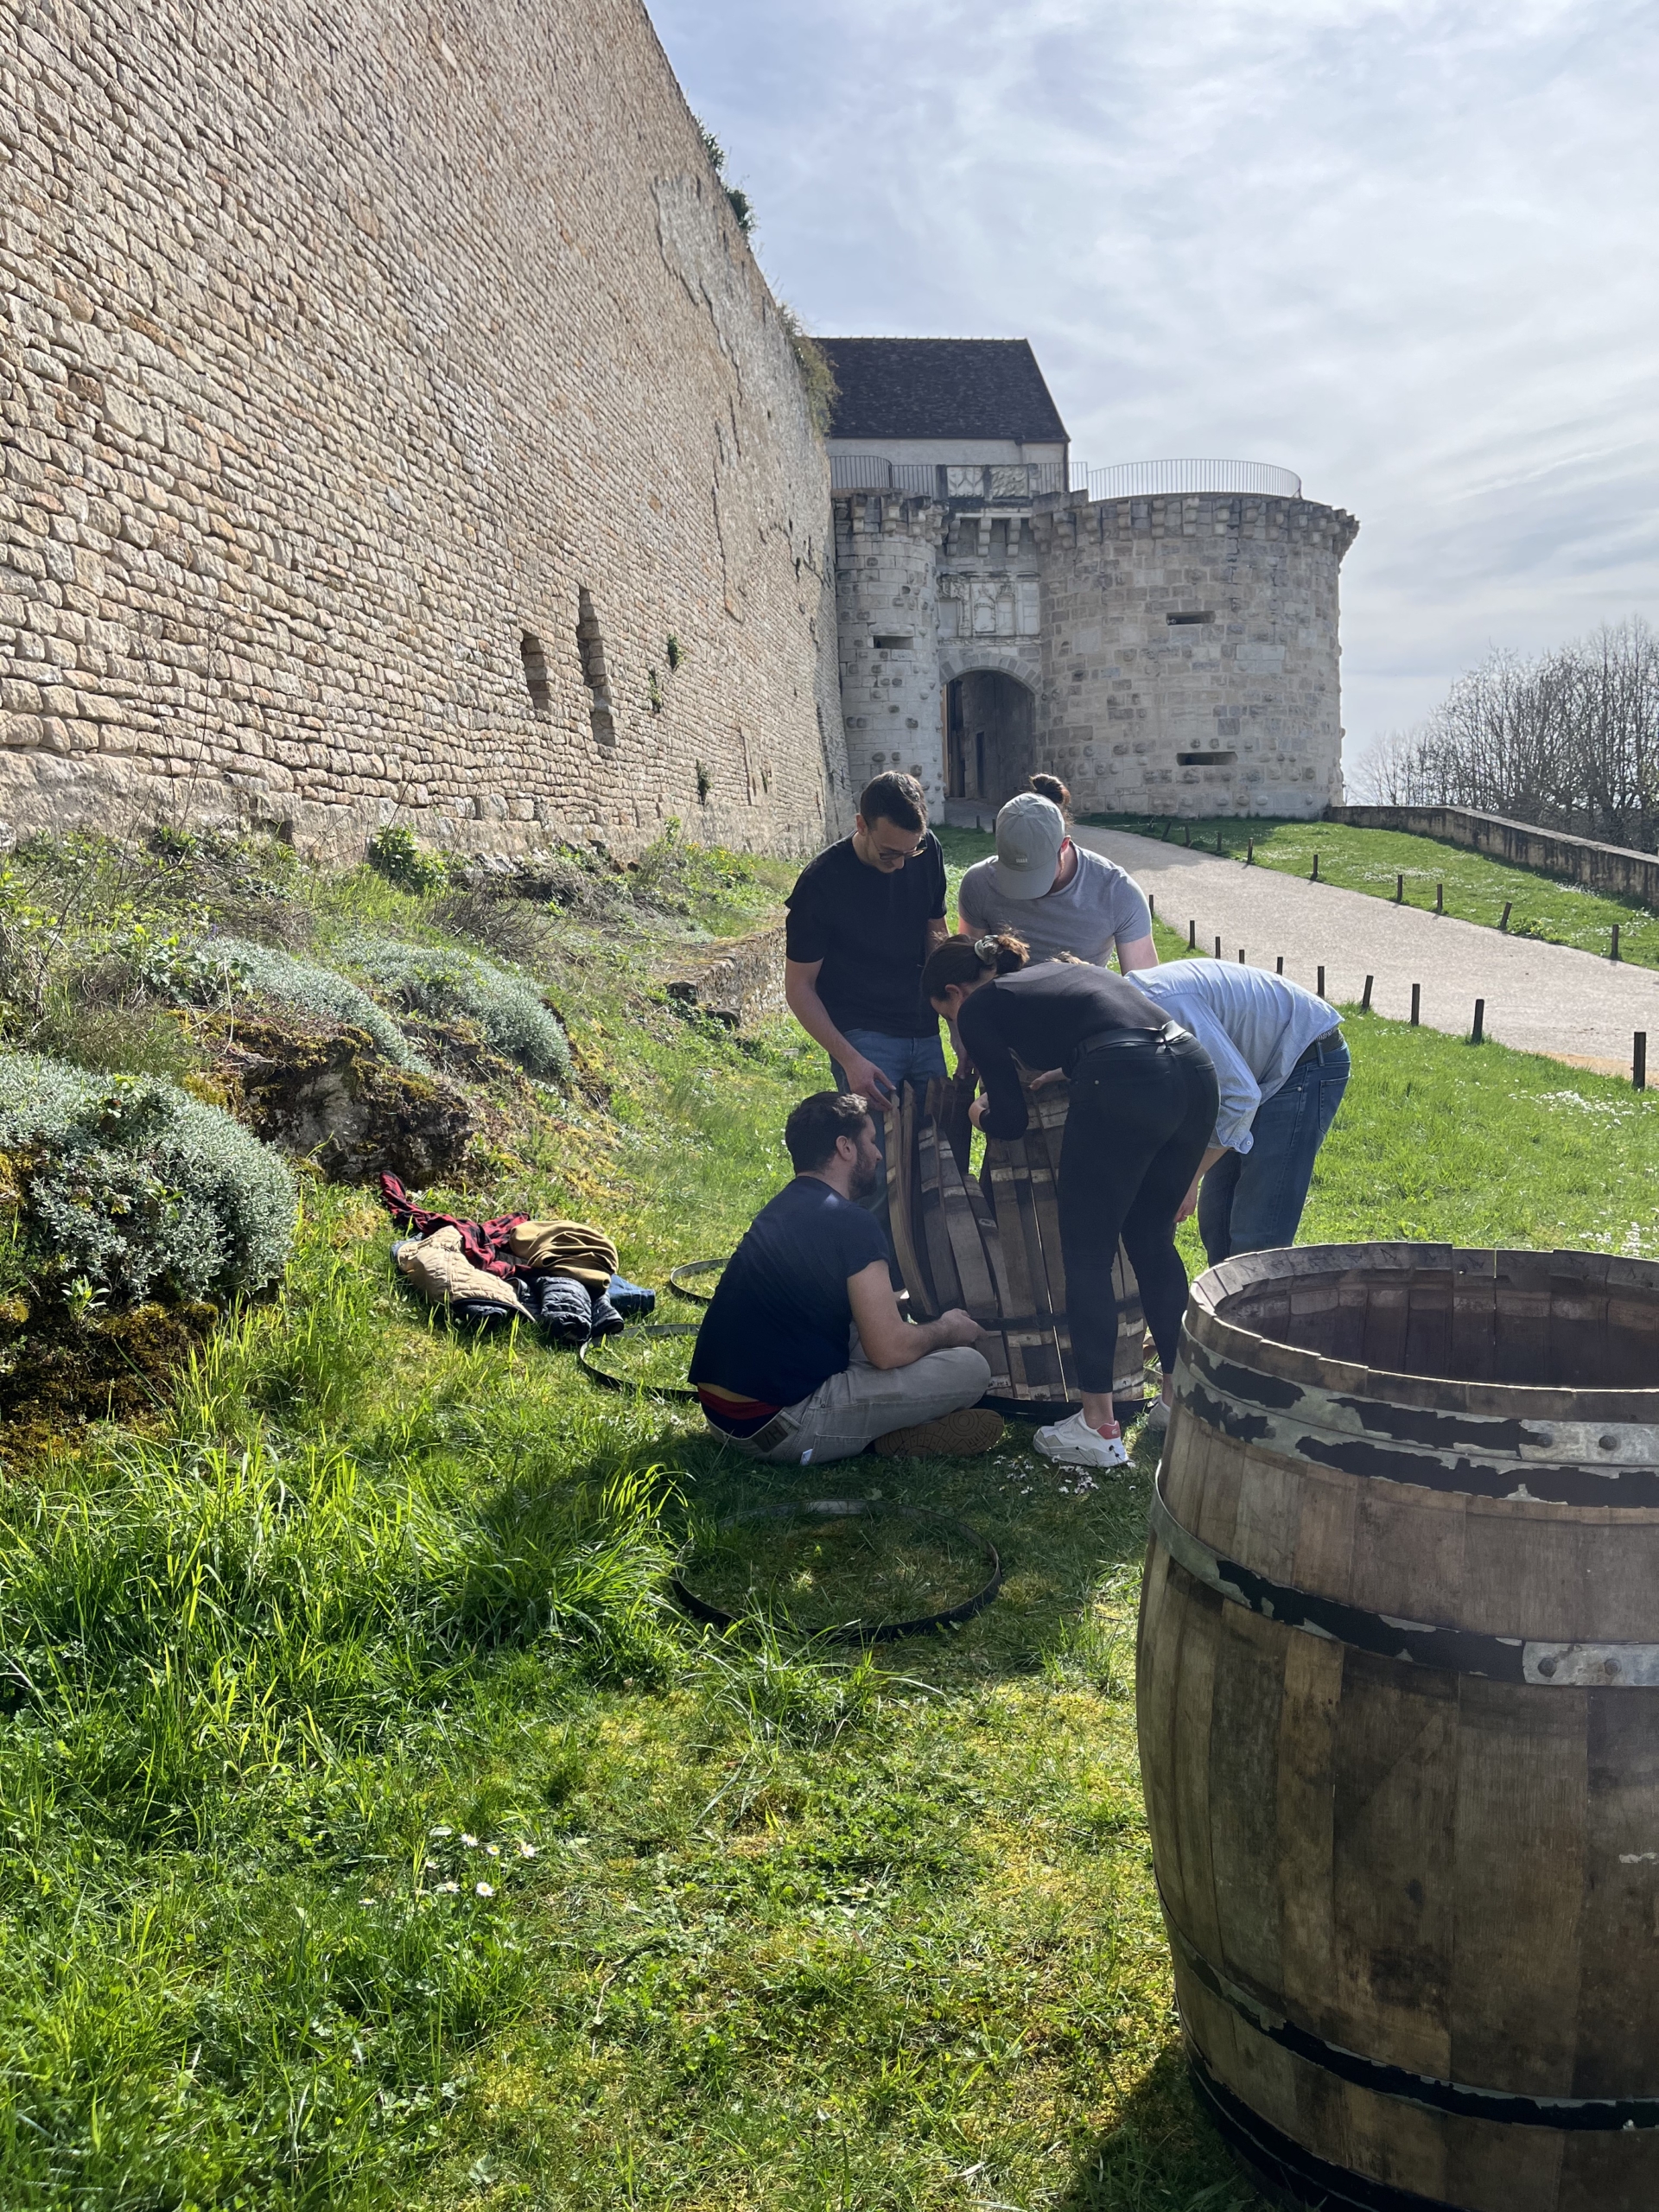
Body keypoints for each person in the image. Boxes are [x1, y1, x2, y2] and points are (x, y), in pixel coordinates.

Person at [924, 933, 1217, 1471]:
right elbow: (1108, 1031)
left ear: (955, 993)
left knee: (1087, 1255)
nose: (956, 1035)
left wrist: (975, 1113)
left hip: (1126, 1076)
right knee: (1152, 1242)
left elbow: (1009, 1120)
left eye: (947, 1019)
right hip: (1193, 1070)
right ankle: (1177, 1403)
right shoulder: (1060, 973)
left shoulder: (981, 1009)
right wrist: (1077, 1068)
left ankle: (1098, 1426)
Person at [689, 1090, 1000, 1465]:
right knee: (970, 1368)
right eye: (871, 1140)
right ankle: (880, 1435)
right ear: (845, 1147)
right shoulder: (854, 1222)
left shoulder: (783, 1206)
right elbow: (889, 1351)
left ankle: (884, 1426)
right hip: (781, 1426)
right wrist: (948, 1329)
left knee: (869, 1328)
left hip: (722, 1417)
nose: (879, 1153)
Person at [784, 772, 950, 1217]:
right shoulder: (820, 884)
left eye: (909, 851)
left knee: (938, 1165)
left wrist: (955, 1019)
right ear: (861, 824)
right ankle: (878, 1284)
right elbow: (799, 988)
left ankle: (932, 1281)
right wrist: (849, 1059)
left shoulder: (926, 851)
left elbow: (936, 933)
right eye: (889, 852)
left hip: (922, 1026)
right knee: (876, 1176)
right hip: (863, 1036)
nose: (900, 863)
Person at [1135, 957, 1351, 1272]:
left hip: (1303, 1058)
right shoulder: (1127, 1005)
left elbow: (1241, 1098)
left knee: (1258, 1231)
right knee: (1217, 1222)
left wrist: (1189, 1177)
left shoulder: (1167, 1010)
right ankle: (1229, 1314)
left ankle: (1259, 1317)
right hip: (1249, 1070)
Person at [957, 785, 1155, 972]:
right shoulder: (980, 882)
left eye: (1036, 872)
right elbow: (968, 973)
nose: (1027, 890)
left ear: (1064, 846)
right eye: (1015, 871)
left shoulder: (1117, 892)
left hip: (1080, 1003)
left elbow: (1147, 989)